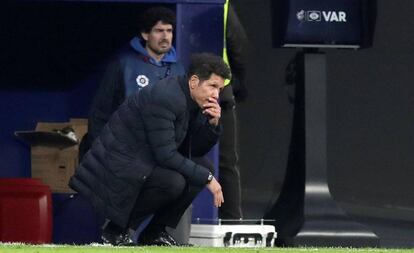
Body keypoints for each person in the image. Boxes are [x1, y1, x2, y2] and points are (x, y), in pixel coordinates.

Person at [69, 53, 231, 246]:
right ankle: (114, 231)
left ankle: (155, 233)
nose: (216, 95)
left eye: (219, 89)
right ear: (194, 81)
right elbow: (165, 155)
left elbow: (193, 150)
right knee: (174, 182)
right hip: (118, 164)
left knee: (202, 167)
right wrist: (208, 179)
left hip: (144, 161)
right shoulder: (167, 97)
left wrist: (212, 125)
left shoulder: (193, 99)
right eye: (212, 86)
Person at [80, 6, 185, 157]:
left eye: (169, 31)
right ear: (145, 34)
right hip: (125, 149)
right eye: (159, 31)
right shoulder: (123, 65)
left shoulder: (179, 69)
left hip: (163, 150)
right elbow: (100, 111)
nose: (165, 36)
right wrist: (102, 149)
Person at [218, 0, 248, 220]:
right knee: (227, 161)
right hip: (222, 90)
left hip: (213, 90)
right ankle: (231, 222)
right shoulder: (224, 4)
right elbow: (238, 45)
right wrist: (239, 80)